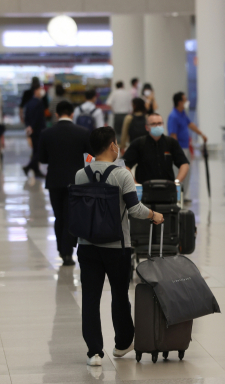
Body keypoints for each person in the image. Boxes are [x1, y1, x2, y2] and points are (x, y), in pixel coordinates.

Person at [75, 126, 164, 366]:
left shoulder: (80, 174)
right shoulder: (122, 174)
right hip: (117, 246)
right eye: (116, 144)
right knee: (119, 294)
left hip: (87, 246)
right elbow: (135, 209)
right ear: (113, 146)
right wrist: (154, 214)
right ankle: (123, 344)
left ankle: (94, 351)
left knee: (90, 298)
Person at [39, 101, 93, 267]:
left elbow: (42, 160)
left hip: (54, 181)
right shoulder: (83, 132)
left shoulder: (46, 133)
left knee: (59, 217)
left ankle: (62, 251)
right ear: (72, 114)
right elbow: (90, 157)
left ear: (56, 114)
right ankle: (68, 252)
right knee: (71, 216)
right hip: (76, 181)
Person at [123, 113, 190, 184]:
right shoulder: (138, 143)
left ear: (163, 125)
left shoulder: (171, 143)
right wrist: (134, 184)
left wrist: (177, 182)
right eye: (153, 124)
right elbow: (124, 165)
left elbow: (184, 164)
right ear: (147, 127)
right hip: (145, 189)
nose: (157, 126)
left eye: (159, 123)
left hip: (167, 189)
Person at [167, 92, 207, 202]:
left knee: (187, 172)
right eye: (185, 100)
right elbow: (173, 135)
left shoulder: (182, 113)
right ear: (179, 102)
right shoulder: (173, 116)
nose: (186, 102)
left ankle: (183, 196)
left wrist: (201, 134)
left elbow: (190, 124)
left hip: (185, 147)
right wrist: (176, 151)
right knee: (178, 172)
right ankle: (175, 197)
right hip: (179, 149)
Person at [23, 86, 47, 178]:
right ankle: (28, 167)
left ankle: (36, 170)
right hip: (38, 130)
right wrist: (33, 127)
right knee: (39, 151)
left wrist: (28, 127)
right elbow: (38, 118)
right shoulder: (39, 103)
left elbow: (27, 117)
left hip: (32, 130)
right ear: (36, 91)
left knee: (35, 150)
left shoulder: (29, 103)